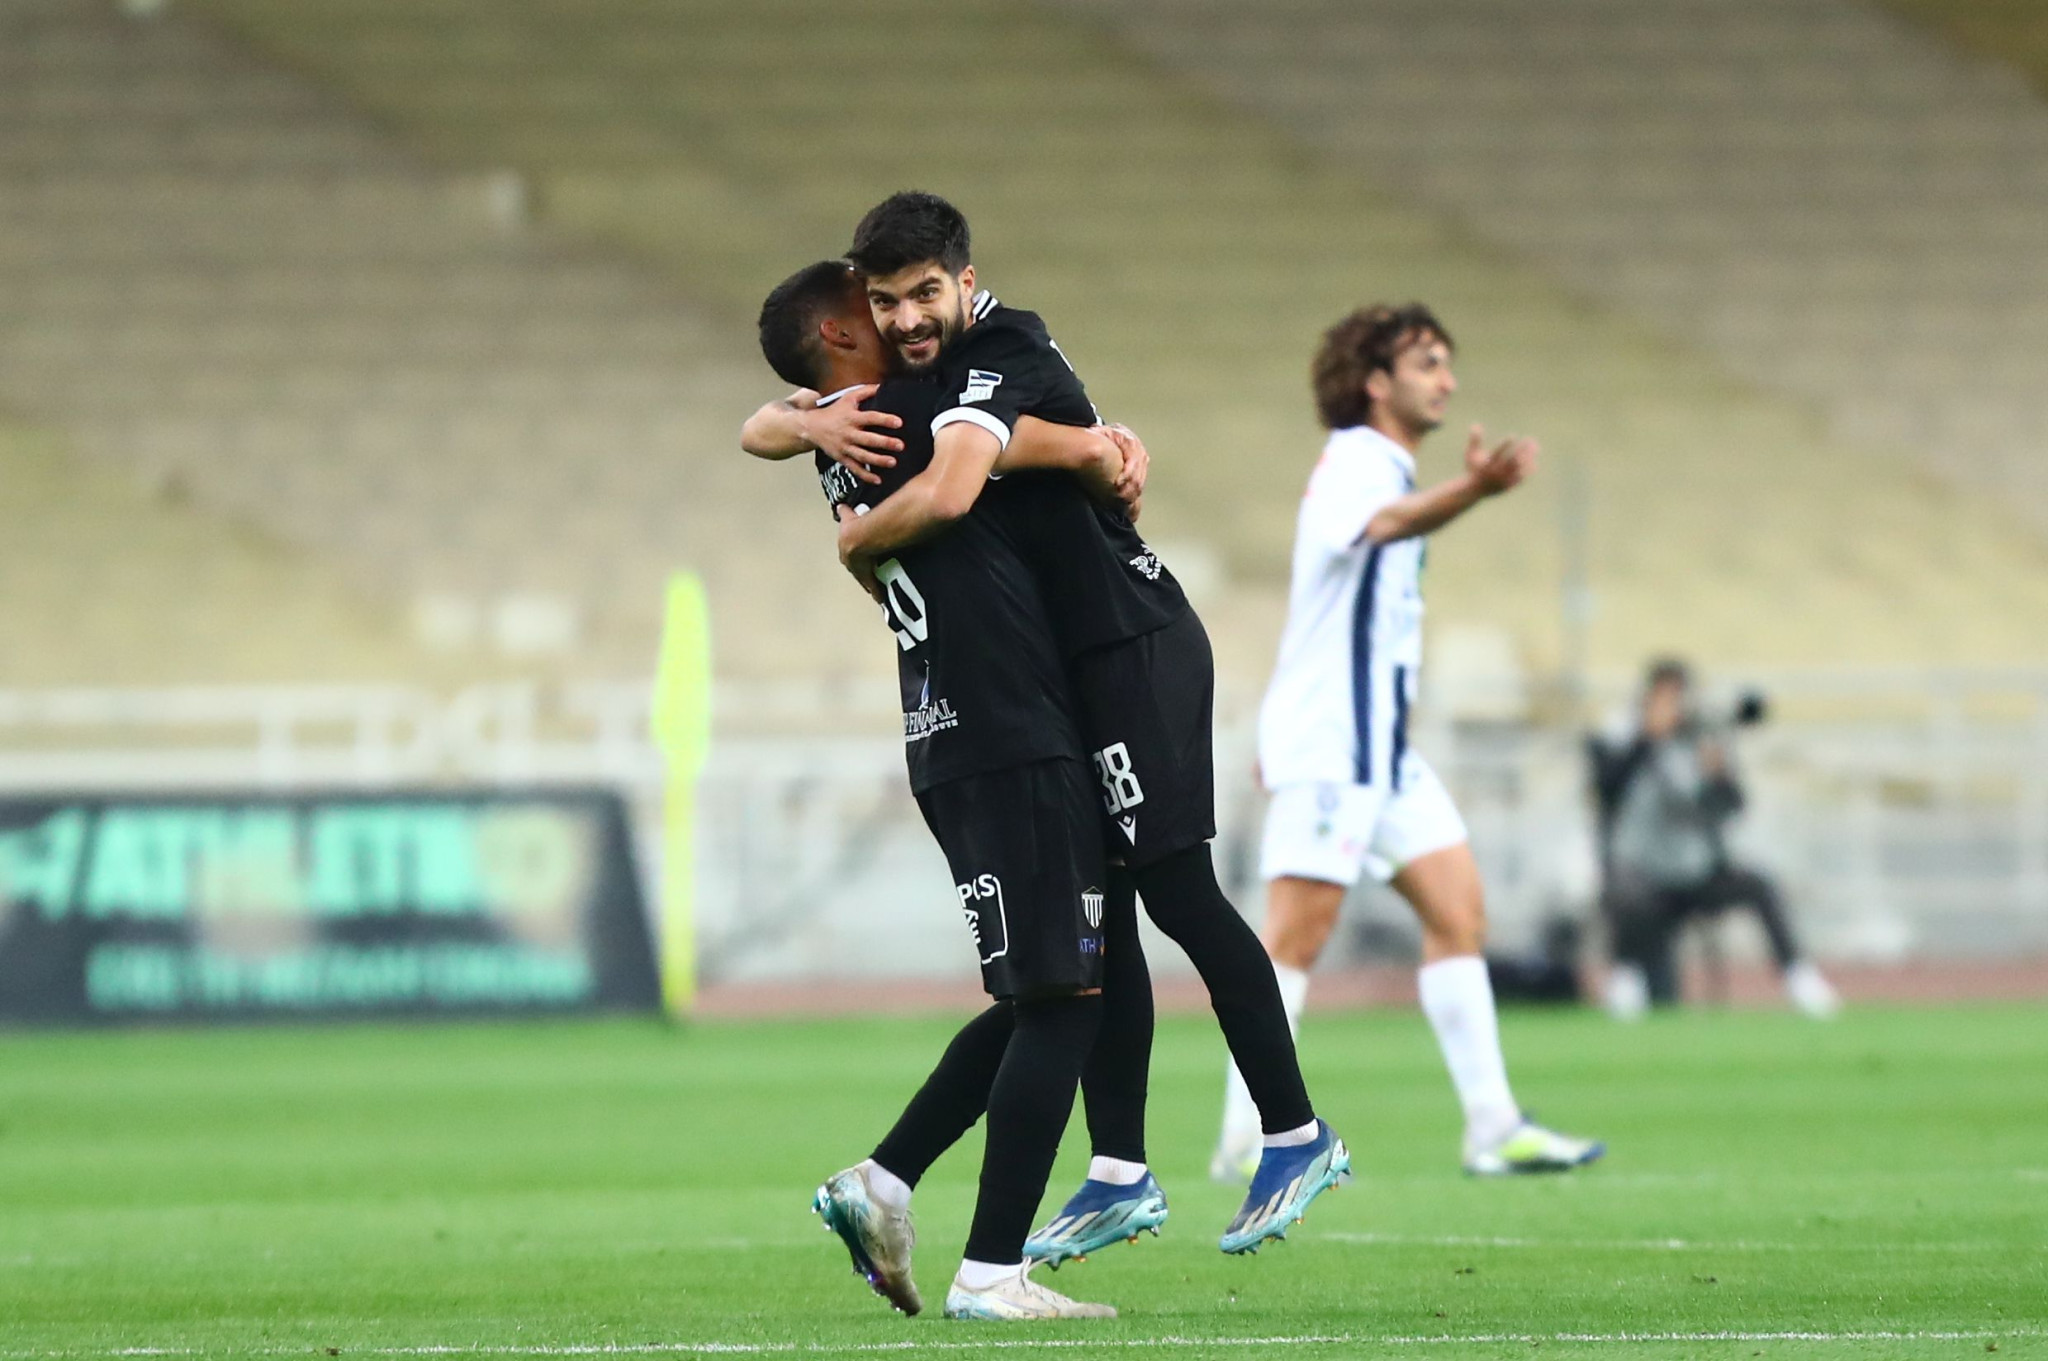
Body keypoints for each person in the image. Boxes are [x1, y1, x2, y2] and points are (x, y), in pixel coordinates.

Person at [749, 191, 1348, 1264]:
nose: (907, 315)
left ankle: (1293, 1131)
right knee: (1103, 918)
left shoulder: (1004, 343)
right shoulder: (901, 387)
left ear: (964, 281)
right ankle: (1117, 1167)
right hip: (1066, 675)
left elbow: (952, 482)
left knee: (1173, 890)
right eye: (885, 300)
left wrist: (853, 539)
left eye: (924, 292)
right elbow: (771, 418)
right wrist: (795, 418)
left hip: (1134, 643)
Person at [750, 260, 1135, 1321]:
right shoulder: (909, 407)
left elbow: (760, 425)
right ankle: (992, 1268)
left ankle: (880, 1181)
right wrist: (1105, 444)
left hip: (949, 731)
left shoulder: (840, 425)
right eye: (874, 306)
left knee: (1033, 996)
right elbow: (1024, 442)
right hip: (1008, 728)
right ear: (839, 331)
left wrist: (793, 421)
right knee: (1066, 1001)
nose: (899, 320)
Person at [1215, 303, 1605, 1182]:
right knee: (1291, 943)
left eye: (1447, 364)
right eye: (1428, 362)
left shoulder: (1386, 467)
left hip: (1381, 752)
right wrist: (1475, 490)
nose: (1448, 380)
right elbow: (1379, 527)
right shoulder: (1356, 462)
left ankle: (1493, 1126)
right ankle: (1246, 1142)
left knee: (1459, 913)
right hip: (1331, 746)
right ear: (1374, 381)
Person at [1589, 658, 1840, 1020]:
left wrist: (1718, 775)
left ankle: (1800, 978)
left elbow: (1731, 807)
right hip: (1647, 873)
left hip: (1696, 871)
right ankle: (1627, 980)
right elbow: (1607, 788)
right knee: (1625, 896)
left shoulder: (1701, 740)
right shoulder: (1624, 734)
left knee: (1759, 886)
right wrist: (1647, 739)